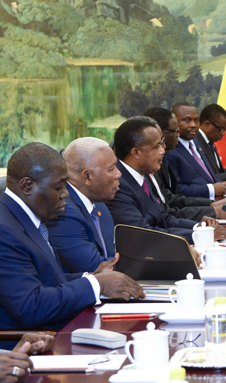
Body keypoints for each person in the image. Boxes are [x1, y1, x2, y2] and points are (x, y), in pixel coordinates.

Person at [0, 143, 144, 336]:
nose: (66, 194)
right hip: (27, 344)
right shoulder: (4, 230)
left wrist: (91, 276)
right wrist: (97, 284)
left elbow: (47, 280)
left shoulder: (28, 218)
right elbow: (30, 306)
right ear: (27, 186)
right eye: (58, 187)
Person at [106, 116, 225, 242]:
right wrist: (200, 236)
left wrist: (198, 228)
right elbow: (143, 233)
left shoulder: (141, 174)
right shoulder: (117, 185)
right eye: (156, 147)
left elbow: (163, 218)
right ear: (136, 152)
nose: (163, 151)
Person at [143, 107, 226, 222]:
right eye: (175, 131)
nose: (178, 134)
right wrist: (213, 211)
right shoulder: (158, 160)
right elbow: (165, 212)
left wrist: (210, 204)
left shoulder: (164, 157)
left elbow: (170, 198)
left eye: (196, 120)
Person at [47, 138, 119, 274]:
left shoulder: (99, 204)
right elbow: (96, 268)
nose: (118, 174)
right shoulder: (63, 211)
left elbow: (111, 254)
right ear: (87, 177)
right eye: (111, 169)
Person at [165, 103, 226, 199]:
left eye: (196, 120)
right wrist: (211, 189)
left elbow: (205, 177)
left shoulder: (196, 143)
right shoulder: (170, 150)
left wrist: (222, 184)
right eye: (187, 120)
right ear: (174, 122)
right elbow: (177, 190)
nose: (193, 125)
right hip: (198, 205)